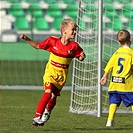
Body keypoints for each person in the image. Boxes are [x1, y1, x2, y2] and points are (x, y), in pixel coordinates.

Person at [20, 18, 86, 126]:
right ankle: (37, 117)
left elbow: (81, 56)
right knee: (48, 92)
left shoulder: (74, 46)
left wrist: (82, 57)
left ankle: (47, 111)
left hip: (61, 78)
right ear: (64, 31)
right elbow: (37, 45)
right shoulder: (52, 41)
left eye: (75, 30)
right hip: (50, 74)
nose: (75, 32)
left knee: (53, 97)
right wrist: (27, 39)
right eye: (73, 29)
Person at [100, 29, 133, 127]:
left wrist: (104, 76)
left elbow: (109, 65)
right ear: (130, 39)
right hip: (126, 85)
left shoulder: (117, 53)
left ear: (118, 42)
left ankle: (109, 121)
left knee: (113, 102)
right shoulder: (131, 54)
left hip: (114, 83)